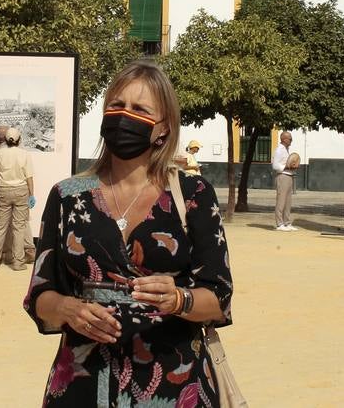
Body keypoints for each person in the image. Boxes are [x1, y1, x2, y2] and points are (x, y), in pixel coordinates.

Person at [24, 59, 233, 406]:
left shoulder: (193, 194)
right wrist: (68, 308)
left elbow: (219, 297)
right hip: (83, 384)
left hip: (174, 383)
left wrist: (179, 298)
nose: (125, 115)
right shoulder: (67, 196)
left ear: (163, 128)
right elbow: (40, 294)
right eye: (117, 106)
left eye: (139, 109)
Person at [0, 127, 35, 272]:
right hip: (21, 192)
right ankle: (18, 262)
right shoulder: (24, 154)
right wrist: (32, 195)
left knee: (0, 227)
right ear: (19, 139)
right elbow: (29, 177)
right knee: (19, 228)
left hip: (3, 192)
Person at [272, 130, 298, 231]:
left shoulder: (286, 149)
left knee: (288, 201)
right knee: (281, 201)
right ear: (284, 139)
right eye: (290, 139)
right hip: (282, 176)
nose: (291, 140)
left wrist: (293, 166)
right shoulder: (279, 150)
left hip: (289, 176)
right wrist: (287, 166)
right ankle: (279, 224)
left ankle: (287, 223)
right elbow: (275, 165)